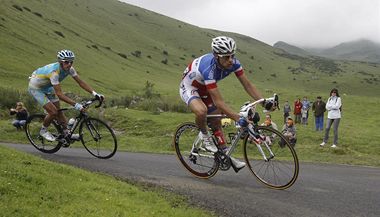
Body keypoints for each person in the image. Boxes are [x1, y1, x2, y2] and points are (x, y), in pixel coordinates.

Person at [179, 36, 272, 170]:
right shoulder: (208, 69)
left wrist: (263, 102)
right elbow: (219, 102)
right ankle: (205, 137)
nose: (230, 60)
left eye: (232, 56)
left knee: (216, 120)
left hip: (205, 88)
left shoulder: (234, 63)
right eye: (226, 57)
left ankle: (225, 155)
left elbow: (247, 85)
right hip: (190, 87)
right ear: (216, 56)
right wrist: (237, 118)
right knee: (202, 111)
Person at [28, 49, 104, 142]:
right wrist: (76, 105)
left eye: (71, 62)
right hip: (36, 88)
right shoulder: (54, 73)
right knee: (53, 112)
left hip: (47, 87)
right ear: (60, 62)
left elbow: (80, 82)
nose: (69, 64)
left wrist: (95, 93)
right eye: (66, 62)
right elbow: (59, 94)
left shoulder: (70, 69)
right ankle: (43, 131)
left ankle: (66, 133)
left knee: (59, 112)